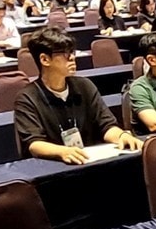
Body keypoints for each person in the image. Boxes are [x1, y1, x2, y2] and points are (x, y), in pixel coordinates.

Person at [13, 27, 142, 164]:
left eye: (72, 52)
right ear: (45, 59)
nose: (72, 57)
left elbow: (106, 125)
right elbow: (34, 144)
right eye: (65, 53)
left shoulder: (84, 86)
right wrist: (62, 151)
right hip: (54, 169)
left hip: (90, 163)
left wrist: (121, 136)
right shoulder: (27, 98)